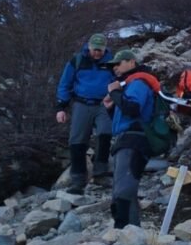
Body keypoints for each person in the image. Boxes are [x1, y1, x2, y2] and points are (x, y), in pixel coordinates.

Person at [103, 49, 159, 228]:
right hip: (128, 139)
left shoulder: (139, 82)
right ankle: (133, 233)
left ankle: (123, 231)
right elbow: (124, 118)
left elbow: (133, 109)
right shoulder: (130, 84)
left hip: (134, 141)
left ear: (131, 62)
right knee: (127, 188)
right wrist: (111, 107)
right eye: (113, 66)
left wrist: (115, 93)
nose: (115, 68)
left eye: (118, 64)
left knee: (123, 190)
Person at [56, 33, 114, 194]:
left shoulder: (111, 62)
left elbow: (120, 80)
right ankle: (78, 179)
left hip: (104, 103)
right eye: (95, 49)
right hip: (81, 103)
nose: (97, 53)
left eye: (100, 50)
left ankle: (101, 173)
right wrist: (61, 107)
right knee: (77, 141)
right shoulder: (77, 61)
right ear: (88, 47)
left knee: (105, 133)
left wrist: (116, 96)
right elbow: (65, 84)